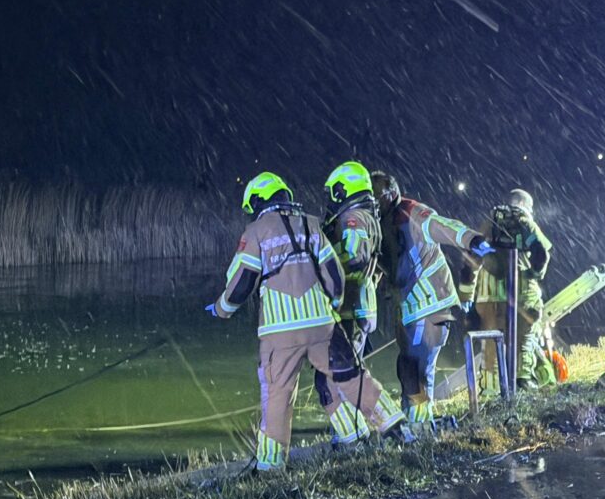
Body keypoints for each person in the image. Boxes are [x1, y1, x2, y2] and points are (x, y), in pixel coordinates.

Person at [208, 171, 406, 470]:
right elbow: (334, 277)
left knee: (279, 396)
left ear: (259, 201)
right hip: (323, 327)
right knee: (352, 378)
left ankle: (271, 465)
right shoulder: (313, 225)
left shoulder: (256, 231)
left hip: (279, 333)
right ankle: (395, 427)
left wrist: (221, 309)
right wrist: (333, 305)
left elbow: (241, 283)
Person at [371, 171, 493, 426]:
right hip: (412, 309)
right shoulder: (382, 223)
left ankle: (417, 423)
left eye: (377, 196)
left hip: (430, 305)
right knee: (414, 367)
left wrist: (472, 240)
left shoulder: (411, 212)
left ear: (391, 194)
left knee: (412, 367)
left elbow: (443, 226)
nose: (373, 202)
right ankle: (419, 420)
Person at [316, 161, 385, 442]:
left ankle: (352, 436)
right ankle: (358, 431)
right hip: (356, 307)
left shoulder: (353, 217)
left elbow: (354, 257)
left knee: (334, 378)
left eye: (336, 191)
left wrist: (320, 264)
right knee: (347, 375)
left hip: (348, 309)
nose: (332, 197)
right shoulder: (363, 216)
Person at [459, 189, 553, 389]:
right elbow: (541, 254)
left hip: (488, 297)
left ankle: (492, 390)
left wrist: (466, 297)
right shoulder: (525, 221)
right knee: (525, 338)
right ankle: (522, 382)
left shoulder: (489, 222)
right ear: (522, 203)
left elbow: (470, 260)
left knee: (490, 348)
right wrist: (532, 275)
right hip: (521, 295)